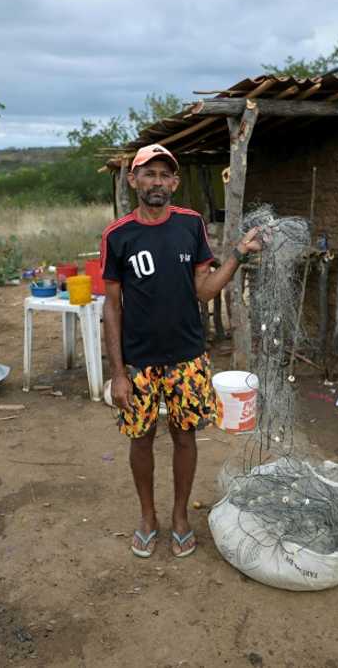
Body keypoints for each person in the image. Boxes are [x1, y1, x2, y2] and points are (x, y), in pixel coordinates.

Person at [101, 143, 262, 559]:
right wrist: (118, 373)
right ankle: (147, 517)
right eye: (147, 173)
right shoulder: (117, 236)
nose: (156, 181)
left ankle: (179, 517)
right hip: (138, 361)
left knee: (185, 436)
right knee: (140, 439)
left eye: (164, 174)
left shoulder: (191, 225)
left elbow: (203, 290)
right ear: (133, 180)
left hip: (187, 357)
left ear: (174, 182)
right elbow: (112, 305)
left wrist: (238, 256)